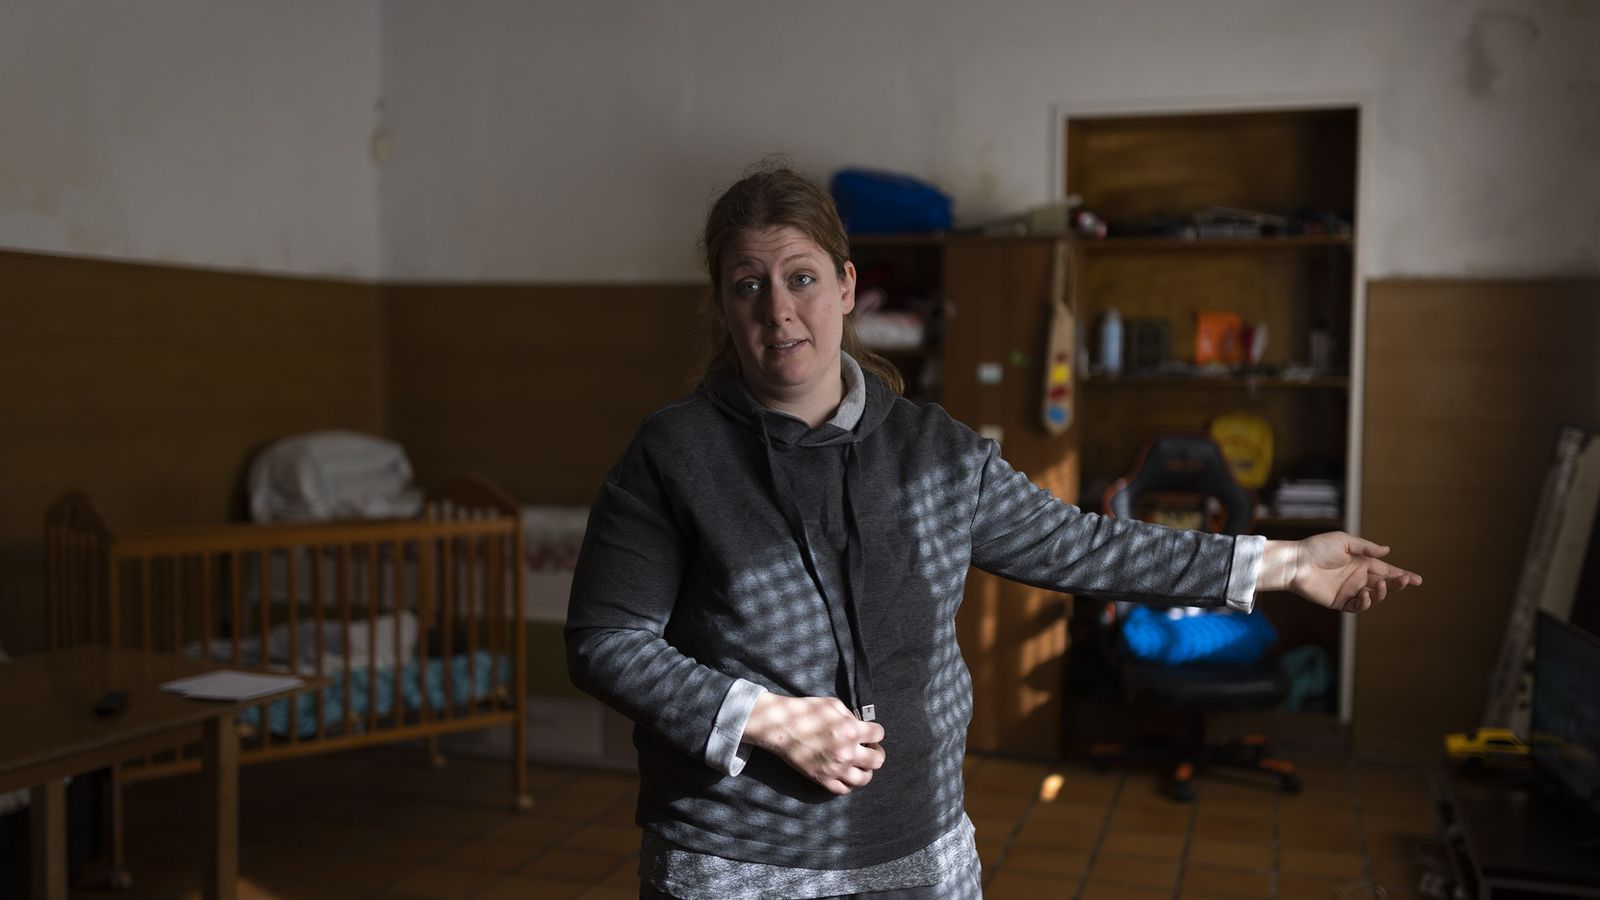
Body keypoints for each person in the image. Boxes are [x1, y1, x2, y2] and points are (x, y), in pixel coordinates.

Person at [565, 162, 1421, 900]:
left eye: (801, 277)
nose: (778, 310)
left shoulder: (934, 452)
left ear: (847, 287)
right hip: (733, 858)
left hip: (919, 845)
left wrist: (1286, 561)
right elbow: (606, 641)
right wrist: (765, 719)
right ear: (722, 302)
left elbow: (1092, 547)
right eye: (748, 283)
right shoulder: (672, 452)